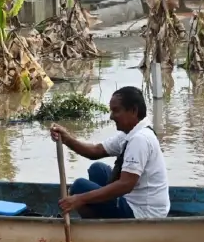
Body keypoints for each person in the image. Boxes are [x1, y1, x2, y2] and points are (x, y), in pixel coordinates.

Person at [49, 86, 169, 219]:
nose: (112, 116)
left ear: (134, 111)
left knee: (79, 186)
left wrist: (80, 199)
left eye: (116, 111)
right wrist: (67, 139)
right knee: (97, 169)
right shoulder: (130, 132)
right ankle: (100, 215)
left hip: (143, 213)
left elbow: (125, 185)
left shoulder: (140, 139)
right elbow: (95, 151)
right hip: (132, 198)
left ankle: (96, 226)